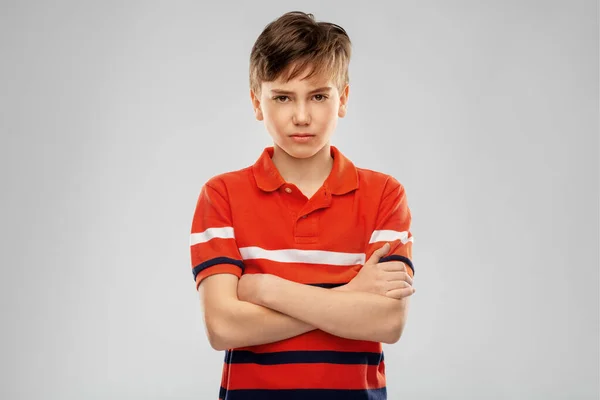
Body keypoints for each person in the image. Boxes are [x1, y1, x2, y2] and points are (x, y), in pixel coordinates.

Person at [189, 11, 416, 400]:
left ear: (341, 99)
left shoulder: (384, 194)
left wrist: (266, 288)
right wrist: (347, 296)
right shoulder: (222, 195)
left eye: (318, 96)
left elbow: (387, 321)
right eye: (282, 97)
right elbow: (223, 327)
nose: (301, 116)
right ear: (257, 103)